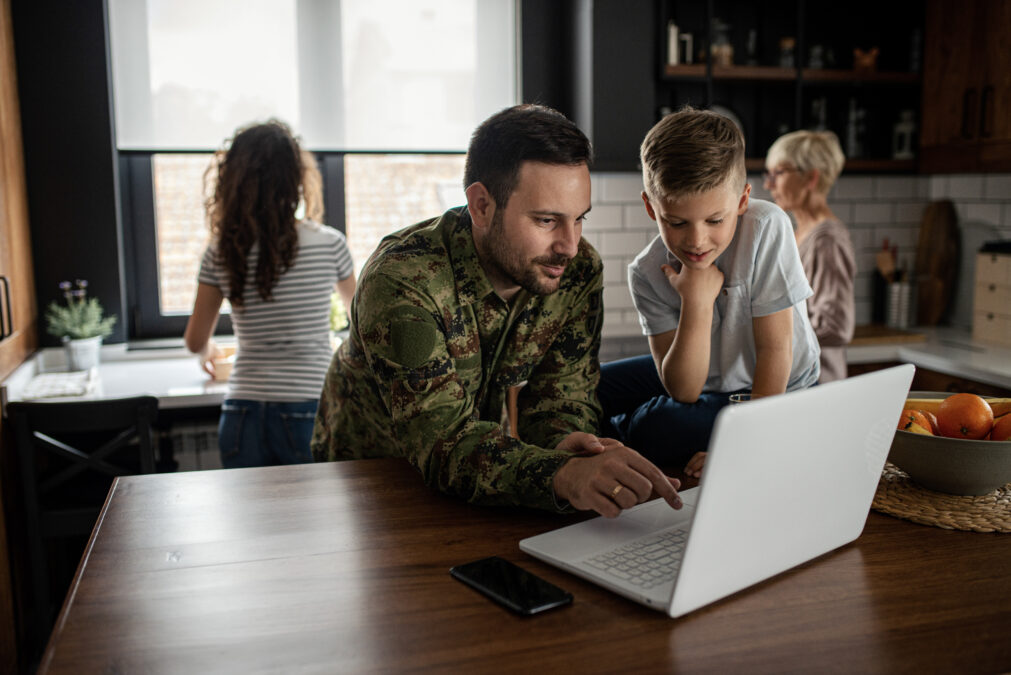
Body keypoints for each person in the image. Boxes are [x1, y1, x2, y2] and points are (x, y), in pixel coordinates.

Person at [311, 104, 683, 518]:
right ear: (482, 205)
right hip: (366, 487)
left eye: (579, 219)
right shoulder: (403, 281)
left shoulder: (574, 272)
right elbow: (444, 442)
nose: (570, 245)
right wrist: (561, 476)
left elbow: (561, 397)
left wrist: (570, 444)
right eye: (546, 220)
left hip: (477, 483)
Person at [598, 107, 820, 478]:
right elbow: (684, 386)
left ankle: (624, 435)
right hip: (709, 373)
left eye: (715, 221)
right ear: (652, 208)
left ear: (743, 201)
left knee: (657, 426)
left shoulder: (766, 228)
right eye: (677, 222)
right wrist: (696, 301)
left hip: (776, 390)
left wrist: (746, 444)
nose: (697, 241)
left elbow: (774, 350)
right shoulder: (646, 272)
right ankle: (604, 439)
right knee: (593, 385)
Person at [184, 119, 356, 468]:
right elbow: (363, 321)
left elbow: (194, 340)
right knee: (314, 522)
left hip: (242, 412)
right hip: (308, 407)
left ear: (233, 181)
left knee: (250, 523)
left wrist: (208, 350)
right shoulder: (329, 243)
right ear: (296, 178)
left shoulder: (223, 250)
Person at [764, 130, 855, 383]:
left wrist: (767, 332)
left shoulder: (827, 239)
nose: (768, 184)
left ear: (811, 178)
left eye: (778, 173)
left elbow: (835, 325)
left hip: (817, 382)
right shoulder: (797, 234)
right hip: (797, 379)